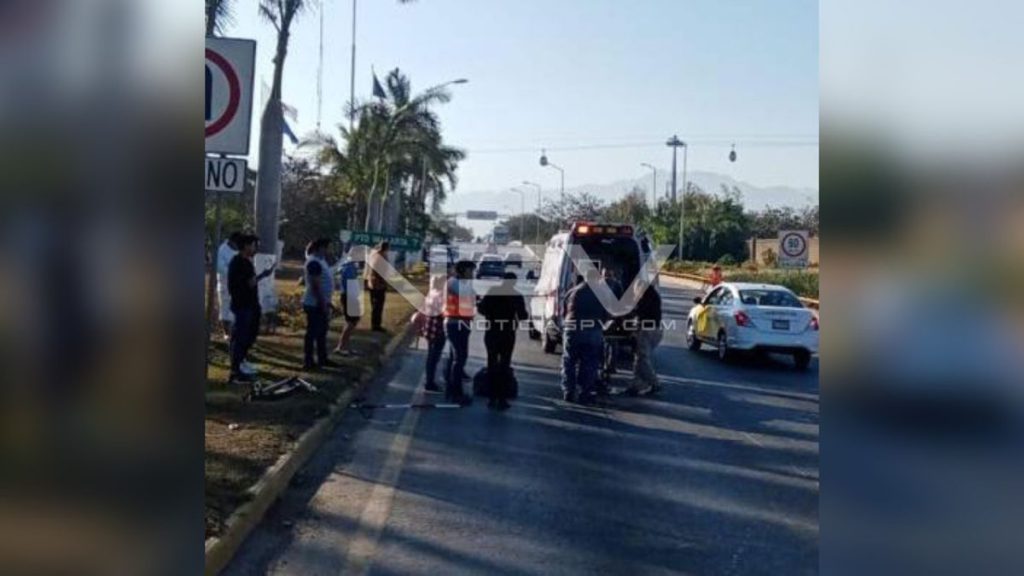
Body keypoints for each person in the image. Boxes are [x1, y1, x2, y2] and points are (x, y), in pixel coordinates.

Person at [477, 272, 528, 410]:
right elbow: (523, 315)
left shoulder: (492, 292)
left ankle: (491, 397)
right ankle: (502, 398)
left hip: (492, 331)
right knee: (504, 364)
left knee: (492, 363)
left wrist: (491, 314)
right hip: (507, 333)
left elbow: (481, 309)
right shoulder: (516, 295)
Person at [228, 235, 275, 382]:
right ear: (246, 246)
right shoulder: (239, 262)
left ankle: (242, 361)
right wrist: (260, 276)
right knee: (241, 336)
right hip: (243, 304)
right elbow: (247, 283)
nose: (256, 249)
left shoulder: (246, 261)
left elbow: (251, 282)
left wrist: (263, 275)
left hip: (251, 304)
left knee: (250, 334)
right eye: (254, 245)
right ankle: (236, 370)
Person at [560, 268, 607, 404]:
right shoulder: (602, 294)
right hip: (593, 331)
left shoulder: (573, 291)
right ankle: (585, 392)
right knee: (589, 363)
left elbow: (564, 311)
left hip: (572, 330)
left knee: (569, 361)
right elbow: (606, 314)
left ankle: (568, 391)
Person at [443, 260, 476, 406]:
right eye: (470, 271)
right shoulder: (454, 282)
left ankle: (451, 390)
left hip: (461, 323)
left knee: (455, 357)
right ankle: (456, 393)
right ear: (462, 271)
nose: (472, 274)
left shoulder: (460, 283)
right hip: (455, 323)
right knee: (459, 358)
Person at [626, 279, 663, 396]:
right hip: (655, 329)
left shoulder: (645, 296)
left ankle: (655, 382)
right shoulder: (653, 294)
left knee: (642, 358)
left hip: (647, 330)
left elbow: (638, 312)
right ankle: (636, 385)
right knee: (639, 358)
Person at [302, 238, 335, 370]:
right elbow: (315, 286)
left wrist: (328, 302)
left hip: (321, 302)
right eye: (327, 248)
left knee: (322, 333)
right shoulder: (313, 262)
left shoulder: (321, 261)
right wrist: (322, 303)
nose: (329, 250)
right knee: (312, 333)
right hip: (314, 303)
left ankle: (323, 358)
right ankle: (308, 361)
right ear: (320, 248)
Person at [420, 274, 447, 392]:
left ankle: (429, 379)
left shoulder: (431, 293)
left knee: (431, 355)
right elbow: (443, 312)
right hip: (438, 329)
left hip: (429, 327)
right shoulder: (441, 296)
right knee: (434, 356)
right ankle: (429, 382)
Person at [334, 249, 363, 356]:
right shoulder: (350, 267)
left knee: (351, 321)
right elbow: (350, 284)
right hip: (349, 296)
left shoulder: (347, 265)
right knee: (352, 321)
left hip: (347, 295)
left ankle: (345, 346)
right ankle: (341, 346)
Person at [364, 241, 390, 331]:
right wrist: (383, 282)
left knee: (375, 305)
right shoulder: (381, 257)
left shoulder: (374, 255)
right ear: (386, 248)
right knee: (378, 305)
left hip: (372, 283)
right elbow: (380, 272)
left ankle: (375, 324)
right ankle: (376, 325)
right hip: (378, 285)